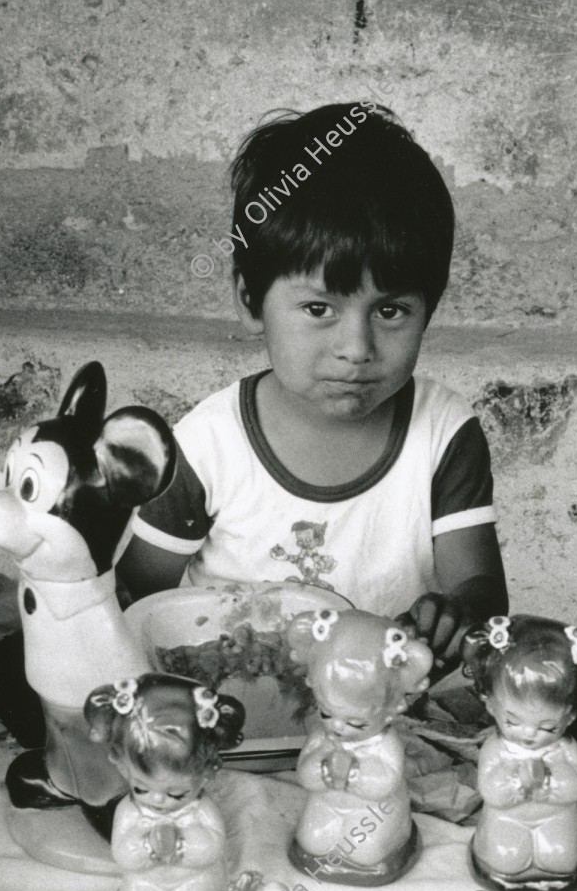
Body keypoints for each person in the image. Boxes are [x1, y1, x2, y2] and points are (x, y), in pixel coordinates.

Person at [119, 102, 507, 668]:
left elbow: (480, 592)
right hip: (233, 724)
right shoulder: (208, 446)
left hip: (383, 720)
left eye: (392, 310)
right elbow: (136, 603)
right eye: (319, 307)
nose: (357, 348)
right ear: (251, 301)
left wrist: (457, 616)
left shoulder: (444, 435)